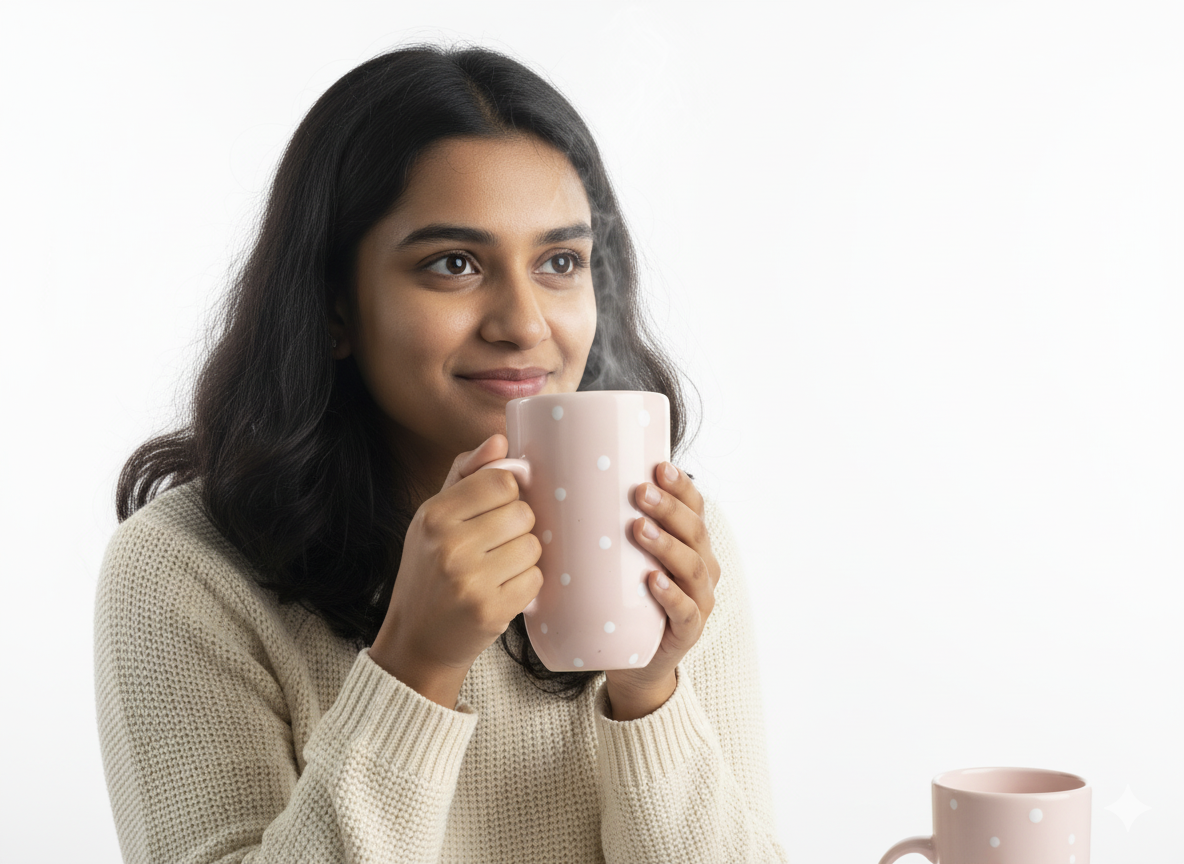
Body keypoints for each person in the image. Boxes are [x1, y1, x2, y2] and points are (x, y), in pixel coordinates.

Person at [94, 44, 788, 863]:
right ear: (334, 306)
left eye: (560, 262)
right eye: (454, 264)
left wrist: (649, 693)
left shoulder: (670, 547)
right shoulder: (185, 570)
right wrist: (413, 667)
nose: (525, 324)